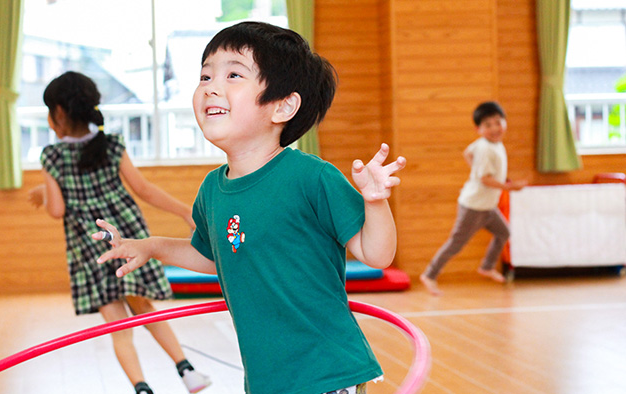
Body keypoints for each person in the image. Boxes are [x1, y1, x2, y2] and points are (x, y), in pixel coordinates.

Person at [94, 22, 406, 394]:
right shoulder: (213, 189)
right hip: (266, 378)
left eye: (233, 74)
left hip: (326, 370)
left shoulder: (311, 177)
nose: (211, 85)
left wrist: (375, 202)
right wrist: (150, 246)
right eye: (205, 74)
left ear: (282, 106)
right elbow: (215, 257)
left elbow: (378, 254)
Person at [28, 71, 211, 394]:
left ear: (57, 113)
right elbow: (143, 189)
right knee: (144, 308)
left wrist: (44, 193)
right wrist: (184, 210)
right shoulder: (111, 144)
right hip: (128, 239)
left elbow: (57, 209)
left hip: (91, 249)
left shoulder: (52, 156)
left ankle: (142, 389)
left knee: (118, 327)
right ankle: (187, 371)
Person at [419, 101, 527, 296]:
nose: (495, 128)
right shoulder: (486, 148)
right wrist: (509, 187)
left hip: (487, 206)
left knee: (504, 232)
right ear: (479, 129)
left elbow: (467, 153)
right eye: (488, 125)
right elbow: (485, 179)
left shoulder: (489, 144)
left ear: (505, 122)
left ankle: (486, 266)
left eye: (498, 122)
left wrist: (475, 170)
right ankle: (430, 274)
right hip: (474, 206)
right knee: (456, 243)